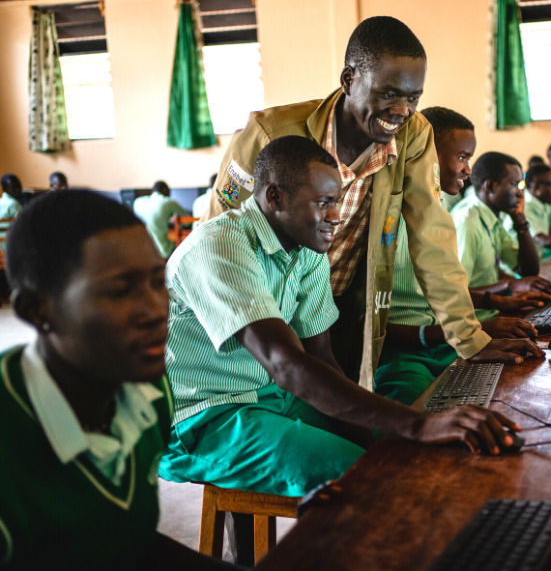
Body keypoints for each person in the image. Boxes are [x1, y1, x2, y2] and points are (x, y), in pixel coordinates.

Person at [159, 136, 528, 502]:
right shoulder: (221, 245)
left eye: (336, 201)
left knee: (396, 456)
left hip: (276, 397)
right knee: (373, 478)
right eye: (323, 203)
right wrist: (418, 423)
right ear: (274, 197)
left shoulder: (307, 250)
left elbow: (321, 357)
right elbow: (285, 364)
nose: (335, 216)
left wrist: (383, 438)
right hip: (209, 417)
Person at [199, 16, 540, 388]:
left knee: (349, 415)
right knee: (283, 404)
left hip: (342, 311)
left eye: (413, 98)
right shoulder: (268, 134)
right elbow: (218, 237)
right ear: (349, 80)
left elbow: (433, 238)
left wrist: (470, 340)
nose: (401, 111)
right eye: (388, 93)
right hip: (266, 310)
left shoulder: (413, 135)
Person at [0, 190, 240, 570]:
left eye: (157, 282)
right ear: (36, 310)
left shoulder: (150, 391)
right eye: (119, 291)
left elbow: (126, 540)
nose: (155, 311)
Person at [375, 108, 543, 406]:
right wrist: (470, 331)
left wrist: (494, 308)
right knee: (430, 419)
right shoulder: (385, 223)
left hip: (443, 345)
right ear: (423, 153)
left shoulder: (438, 215)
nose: (468, 169)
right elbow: (372, 326)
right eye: (462, 157)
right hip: (404, 358)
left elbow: (448, 290)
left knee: (511, 389)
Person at [452, 152, 551, 301]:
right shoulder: (467, 224)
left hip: (493, 310)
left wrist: (520, 220)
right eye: (515, 185)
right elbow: (455, 293)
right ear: (491, 185)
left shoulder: (492, 218)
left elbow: (528, 271)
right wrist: (509, 285)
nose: (520, 194)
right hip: (478, 319)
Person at [133, 180, 188, 259]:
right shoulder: (168, 202)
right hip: (165, 251)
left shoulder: (139, 202)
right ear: (165, 190)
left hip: (147, 251)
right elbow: (187, 222)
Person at [0, 174, 22, 249]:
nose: (17, 189)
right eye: (13, 187)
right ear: (4, 189)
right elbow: (22, 225)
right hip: (10, 247)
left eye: (18, 186)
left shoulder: (1, 202)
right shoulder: (14, 203)